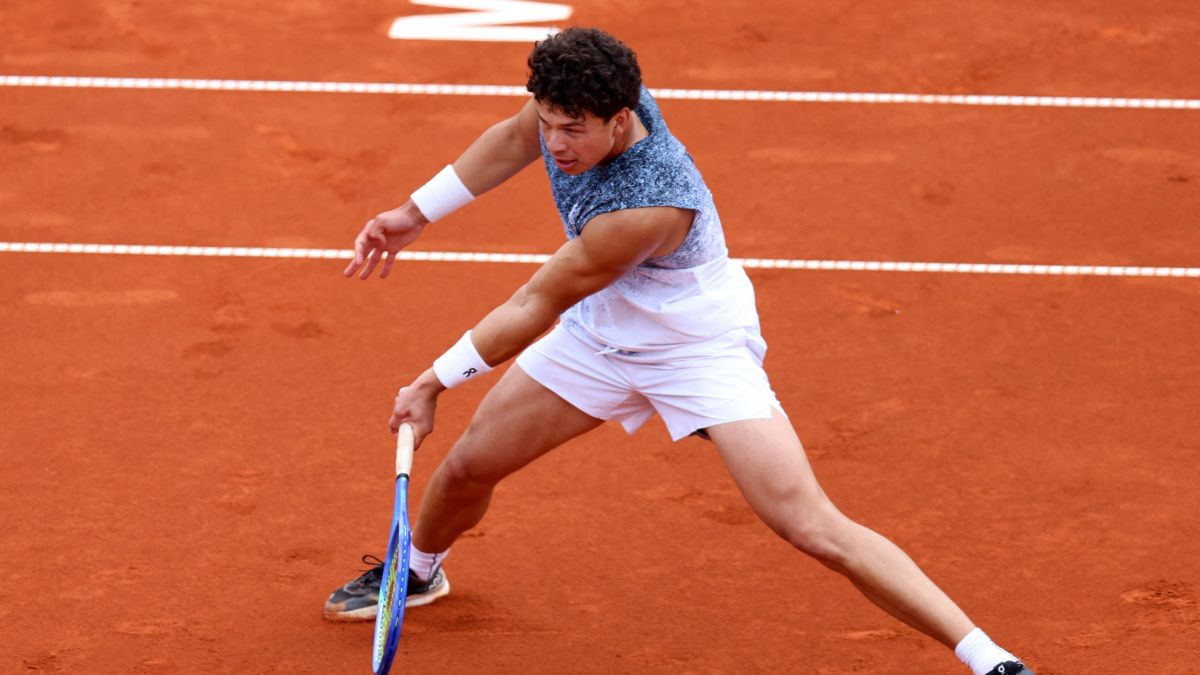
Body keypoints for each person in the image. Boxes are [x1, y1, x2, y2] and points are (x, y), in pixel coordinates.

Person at [322, 27, 1033, 675]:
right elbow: (513, 140)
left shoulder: (648, 204)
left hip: (695, 347)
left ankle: (988, 657)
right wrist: (415, 212)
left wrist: (433, 382)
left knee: (810, 524)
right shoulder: (577, 105)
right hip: (604, 330)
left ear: (622, 119)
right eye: (550, 123)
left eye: (574, 131)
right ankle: (417, 570)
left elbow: (535, 302)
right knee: (470, 466)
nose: (557, 144)